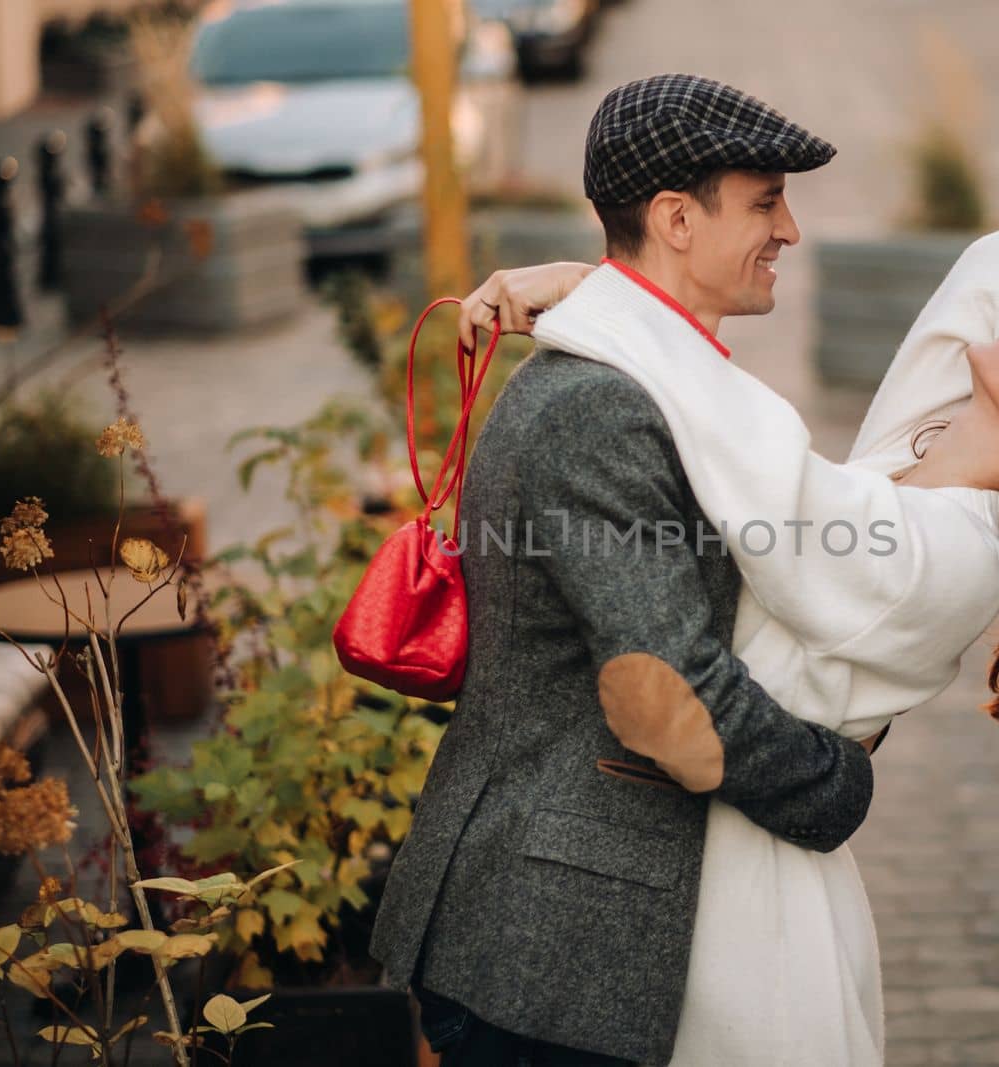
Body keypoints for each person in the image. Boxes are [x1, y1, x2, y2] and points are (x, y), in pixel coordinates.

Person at [458, 232, 999, 1064]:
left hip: (743, 912)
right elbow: (992, 264)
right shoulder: (904, 480)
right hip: (700, 863)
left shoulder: (941, 554)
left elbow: (748, 446)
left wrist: (599, 292)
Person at [367, 75, 883, 1067]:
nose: (792, 229)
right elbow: (671, 679)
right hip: (544, 949)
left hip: (556, 937)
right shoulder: (599, 412)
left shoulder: (639, 379)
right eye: (766, 200)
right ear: (676, 219)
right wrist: (835, 784)